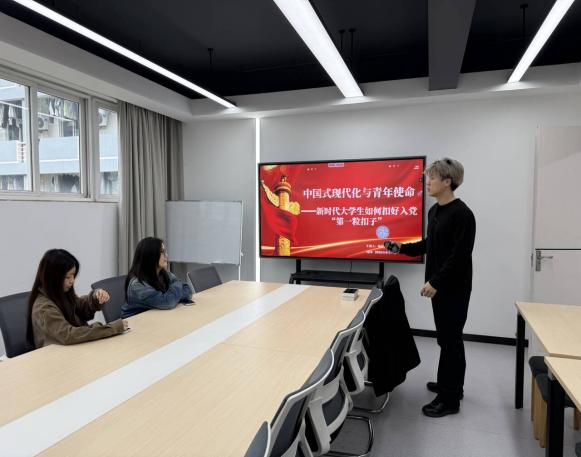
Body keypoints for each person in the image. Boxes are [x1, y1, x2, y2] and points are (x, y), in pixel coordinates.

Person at [386, 158, 476, 418]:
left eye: (432, 178)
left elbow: (459, 257)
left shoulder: (463, 214)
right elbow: (430, 244)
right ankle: (451, 385)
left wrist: (436, 282)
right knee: (446, 339)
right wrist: (402, 249)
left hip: (454, 288)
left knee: (451, 341)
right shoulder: (435, 211)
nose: (428, 183)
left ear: (447, 181)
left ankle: (450, 399)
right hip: (439, 285)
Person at [27, 249, 128, 348]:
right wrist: (110, 328)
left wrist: (95, 297)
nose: (72, 281)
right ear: (53, 278)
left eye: (73, 276)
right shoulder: (44, 308)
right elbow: (69, 335)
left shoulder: (60, 294)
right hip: (58, 355)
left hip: (73, 349)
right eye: (68, 277)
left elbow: (80, 306)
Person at [121, 237, 192, 318]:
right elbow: (168, 302)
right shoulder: (137, 284)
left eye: (165, 251)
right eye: (162, 252)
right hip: (136, 322)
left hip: (157, 317)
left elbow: (188, 290)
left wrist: (173, 296)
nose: (166, 255)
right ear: (150, 256)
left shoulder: (163, 273)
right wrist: (177, 285)